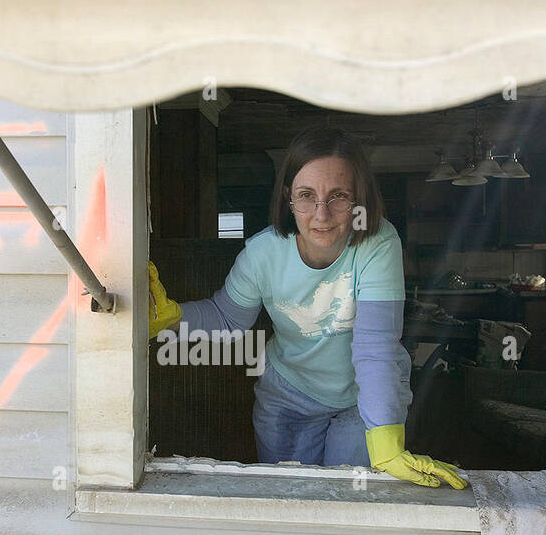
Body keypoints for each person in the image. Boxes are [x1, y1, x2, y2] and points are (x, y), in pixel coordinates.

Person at [148, 125, 468, 489]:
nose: (321, 214)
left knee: (349, 501)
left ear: (359, 199)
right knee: (293, 503)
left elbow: (375, 345)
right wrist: (171, 317)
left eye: (339, 196)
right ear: (288, 197)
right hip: (288, 399)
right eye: (306, 195)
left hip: (361, 400)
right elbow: (226, 318)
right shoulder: (262, 254)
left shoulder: (377, 242)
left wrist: (385, 441)